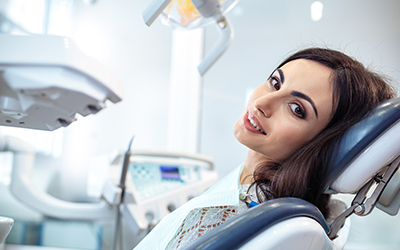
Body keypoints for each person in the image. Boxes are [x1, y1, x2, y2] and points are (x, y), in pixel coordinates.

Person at [133, 47, 396, 250]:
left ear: (325, 144)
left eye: (296, 109)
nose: (263, 102)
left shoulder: (231, 221)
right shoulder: (307, 213)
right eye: (275, 82)